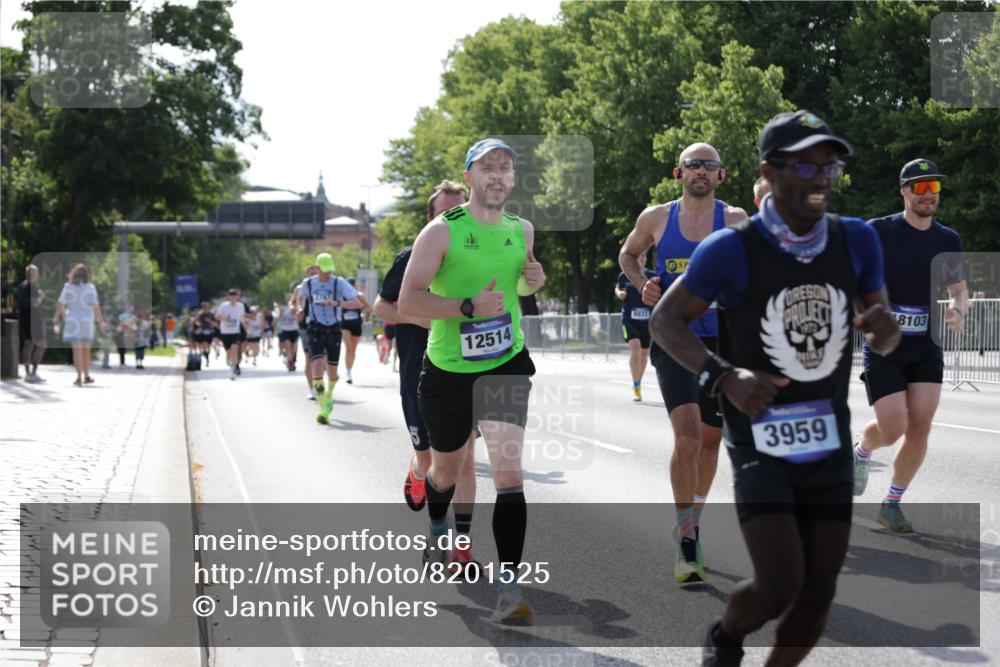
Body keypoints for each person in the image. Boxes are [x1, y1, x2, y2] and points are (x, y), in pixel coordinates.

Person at [650, 109, 899, 666]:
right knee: (780, 584)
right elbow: (666, 321)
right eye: (805, 165)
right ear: (770, 169)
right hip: (761, 441)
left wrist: (885, 331)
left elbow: (880, 327)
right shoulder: (731, 249)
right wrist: (721, 375)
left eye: (828, 165)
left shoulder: (856, 240)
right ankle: (725, 638)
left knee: (819, 593)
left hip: (829, 441)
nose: (820, 177)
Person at [398, 138, 546, 623]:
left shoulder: (521, 229)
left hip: (506, 359)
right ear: (470, 178)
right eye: (488, 168)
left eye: (506, 168)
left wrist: (532, 280)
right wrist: (466, 308)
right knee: (447, 469)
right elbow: (409, 304)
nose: (498, 175)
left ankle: (510, 588)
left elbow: (518, 285)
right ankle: (438, 526)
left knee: (508, 473)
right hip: (447, 371)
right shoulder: (441, 233)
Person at [619, 142, 748, 584]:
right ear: (678, 173)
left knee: (712, 442)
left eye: (709, 166)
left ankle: (692, 516)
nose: (700, 171)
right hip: (673, 338)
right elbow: (627, 254)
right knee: (689, 438)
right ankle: (687, 538)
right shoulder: (655, 218)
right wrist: (641, 285)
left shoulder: (734, 221)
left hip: (720, 343)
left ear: (721, 176)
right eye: (693, 165)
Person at [852, 158, 968, 534]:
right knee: (893, 427)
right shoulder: (878, 232)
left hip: (926, 344)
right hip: (884, 344)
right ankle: (862, 452)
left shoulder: (948, 240)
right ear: (904, 191)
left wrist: (957, 311)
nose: (928, 194)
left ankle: (892, 503)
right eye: (920, 187)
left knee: (920, 426)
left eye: (933, 187)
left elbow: (958, 291)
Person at [374, 179, 481, 571]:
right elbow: (382, 307)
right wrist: (429, 317)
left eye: (459, 209)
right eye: (443, 211)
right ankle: (417, 470)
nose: (451, 217)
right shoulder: (411, 257)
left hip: (466, 374)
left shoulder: (476, 259)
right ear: (430, 217)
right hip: (420, 379)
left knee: (466, 462)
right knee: (431, 462)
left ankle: (461, 549)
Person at [298, 253, 361, 423]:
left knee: (332, 374)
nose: (327, 274)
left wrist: (337, 303)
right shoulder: (308, 284)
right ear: (317, 268)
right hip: (315, 328)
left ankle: (329, 394)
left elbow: (357, 302)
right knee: (317, 366)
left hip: (333, 328)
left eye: (329, 271)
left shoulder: (338, 282)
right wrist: (298, 308)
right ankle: (323, 407)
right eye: (324, 271)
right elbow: (299, 298)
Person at [53, 263, 108, 386]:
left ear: (73, 274)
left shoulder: (68, 287)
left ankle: (78, 377)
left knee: (76, 351)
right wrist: (101, 322)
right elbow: (95, 306)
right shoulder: (90, 287)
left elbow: (61, 303)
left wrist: (59, 316)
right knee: (86, 351)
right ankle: (87, 375)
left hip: (72, 320)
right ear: (86, 275)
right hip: (86, 321)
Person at [615, 251, 655, 401]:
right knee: (635, 348)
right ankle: (636, 387)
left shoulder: (652, 276)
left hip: (647, 321)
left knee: (644, 354)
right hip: (629, 319)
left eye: (644, 256)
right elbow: (619, 288)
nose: (641, 259)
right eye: (638, 257)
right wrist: (619, 294)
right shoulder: (624, 275)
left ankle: (638, 383)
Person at [16, 264, 47, 383]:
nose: (36, 275)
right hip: (32, 320)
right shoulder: (32, 287)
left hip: (24, 319)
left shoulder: (22, 285)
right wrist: (41, 296)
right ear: (32, 274)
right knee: (41, 345)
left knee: (28, 345)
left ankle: (28, 373)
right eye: (35, 272)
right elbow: (35, 304)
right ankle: (32, 373)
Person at [294, 267, 320, 400]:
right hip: (306, 325)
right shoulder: (302, 287)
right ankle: (312, 389)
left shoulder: (326, 285)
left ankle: (319, 383)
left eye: (316, 272)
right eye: (311, 273)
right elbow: (293, 302)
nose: (314, 275)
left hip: (323, 325)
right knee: (310, 357)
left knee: (321, 358)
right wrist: (298, 310)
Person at [341, 278, 373, 384]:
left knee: (353, 350)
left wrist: (361, 306)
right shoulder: (340, 296)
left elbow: (370, 309)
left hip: (356, 324)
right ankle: (348, 373)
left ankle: (349, 369)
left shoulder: (359, 296)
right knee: (348, 347)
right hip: (344, 324)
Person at [215, 289, 246, 380]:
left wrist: (246, 325)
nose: (233, 297)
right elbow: (217, 316)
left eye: (235, 295)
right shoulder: (224, 306)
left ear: (237, 296)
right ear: (229, 297)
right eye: (231, 296)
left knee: (235, 348)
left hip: (235, 331)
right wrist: (224, 318)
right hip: (225, 332)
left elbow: (241, 317)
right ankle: (233, 363)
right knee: (229, 353)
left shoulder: (241, 306)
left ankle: (233, 369)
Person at [276, 291, 300, 371]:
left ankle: (292, 359)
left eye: (291, 298)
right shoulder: (282, 308)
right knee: (288, 346)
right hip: (285, 329)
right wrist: (281, 317)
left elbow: (298, 317)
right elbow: (278, 318)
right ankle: (290, 362)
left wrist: (295, 315)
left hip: (294, 329)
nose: (289, 300)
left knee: (294, 348)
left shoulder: (296, 307)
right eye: (288, 299)